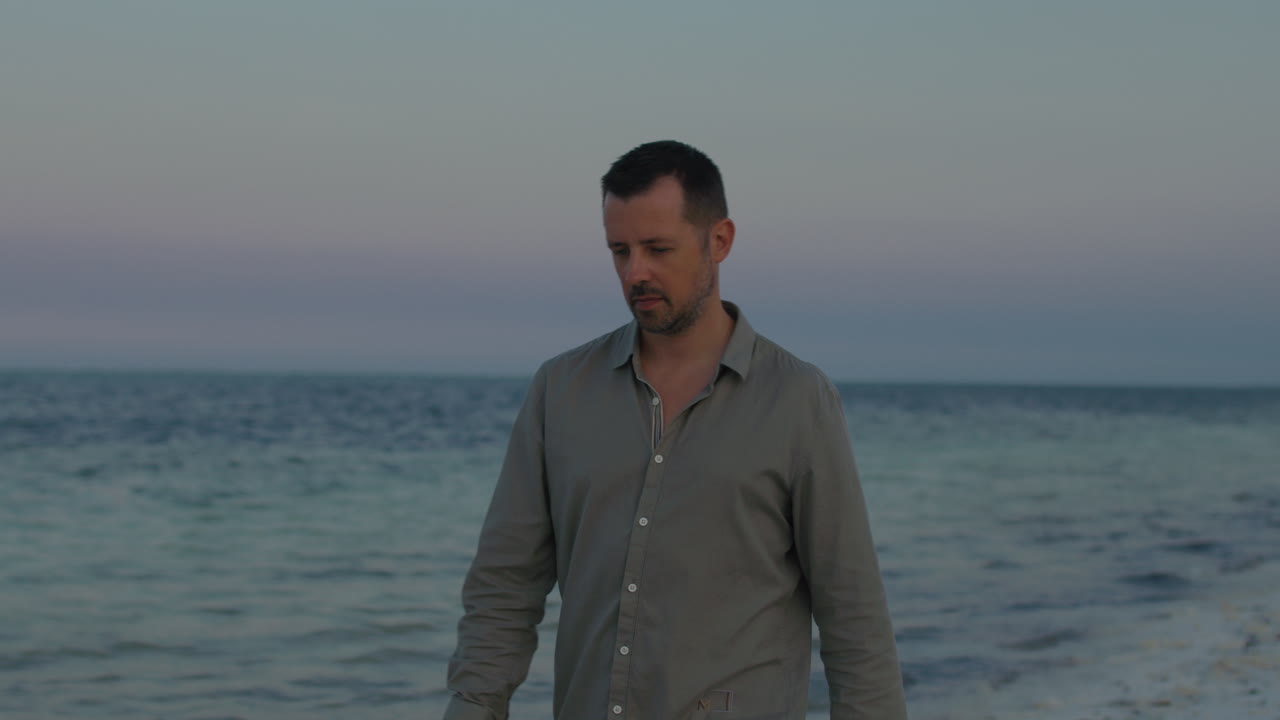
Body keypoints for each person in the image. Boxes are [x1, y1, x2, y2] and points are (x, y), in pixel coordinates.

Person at [444, 140, 907, 720]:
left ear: (719, 241)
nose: (636, 272)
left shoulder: (797, 400)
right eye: (620, 251)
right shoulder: (560, 390)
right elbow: (505, 587)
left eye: (658, 248)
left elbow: (853, 614)